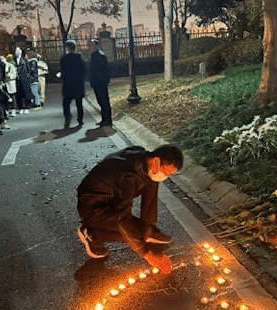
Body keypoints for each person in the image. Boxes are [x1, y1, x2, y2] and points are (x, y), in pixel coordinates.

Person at [76, 145, 183, 274]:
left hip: (111, 201)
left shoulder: (143, 158)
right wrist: (147, 253)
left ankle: (146, 230)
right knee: (133, 233)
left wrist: (148, 227)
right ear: (156, 161)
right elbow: (123, 219)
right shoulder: (128, 176)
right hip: (93, 209)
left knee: (142, 230)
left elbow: (150, 196)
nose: (165, 176)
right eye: (166, 172)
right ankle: (92, 234)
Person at [58, 40, 85, 128]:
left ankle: (68, 116)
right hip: (78, 84)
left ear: (68, 48)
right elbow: (83, 70)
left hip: (68, 84)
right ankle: (80, 119)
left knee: (66, 103)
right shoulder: (79, 57)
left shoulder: (64, 58)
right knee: (79, 103)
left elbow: (62, 71)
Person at [89, 39, 112, 128]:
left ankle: (108, 120)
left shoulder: (101, 56)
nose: (90, 47)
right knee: (100, 101)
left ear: (96, 46)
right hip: (96, 82)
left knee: (104, 101)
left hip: (101, 82)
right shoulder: (94, 55)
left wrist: (106, 80)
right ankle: (104, 119)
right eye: (90, 45)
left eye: (92, 45)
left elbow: (106, 69)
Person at [15, 47, 32, 115]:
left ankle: (26, 107)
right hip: (17, 79)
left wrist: (27, 76)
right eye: (16, 51)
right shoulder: (14, 60)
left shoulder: (24, 60)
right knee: (19, 94)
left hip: (24, 79)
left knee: (26, 93)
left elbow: (28, 69)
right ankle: (21, 107)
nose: (17, 52)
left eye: (18, 51)